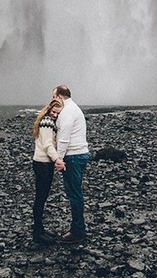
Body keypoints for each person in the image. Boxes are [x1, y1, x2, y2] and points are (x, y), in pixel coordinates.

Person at [52, 84, 89, 243]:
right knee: (76, 192)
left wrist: (58, 159)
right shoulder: (75, 108)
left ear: (60, 96)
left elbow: (64, 138)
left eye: (54, 97)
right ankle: (78, 227)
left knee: (74, 194)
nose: (53, 100)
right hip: (80, 154)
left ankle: (78, 231)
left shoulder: (67, 112)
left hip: (73, 156)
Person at [31, 99, 64, 244]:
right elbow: (48, 145)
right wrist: (57, 159)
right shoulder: (47, 122)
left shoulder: (45, 121)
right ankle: (38, 233)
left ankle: (40, 230)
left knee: (41, 197)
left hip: (42, 162)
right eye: (54, 112)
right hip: (43, 163)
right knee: (41, 198)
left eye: (58, 113)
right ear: (49, 110)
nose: (55, 115)